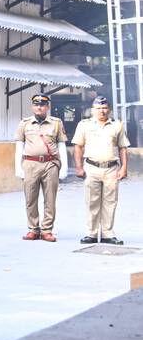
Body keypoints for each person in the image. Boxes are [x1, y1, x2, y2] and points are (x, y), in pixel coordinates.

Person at [73, 95, 130, 244]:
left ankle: (107, 234)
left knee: (110, 202)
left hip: (111, 169)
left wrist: (124, 168)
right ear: (93, 110)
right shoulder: (84, 125)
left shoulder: (117, 125)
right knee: (92, 202)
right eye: (98, 108)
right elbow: (78, 147)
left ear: (109, 110)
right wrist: (78, 167)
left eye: (105, 108)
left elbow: (123, 148)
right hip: (91, 168)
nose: (102, 111)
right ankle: (91, 234)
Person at [14, 93, 67, 241]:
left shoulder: (56, 123)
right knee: (30, 198)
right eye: (36, 104)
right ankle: (33, 228)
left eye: (43, 104)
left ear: (48, 107)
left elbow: (61, 145)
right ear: (32, 106)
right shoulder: (24, 123)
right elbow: (19, 146)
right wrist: (18, 168)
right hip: (30, 164)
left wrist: (63, 168)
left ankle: (47, 230)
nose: (39, 107)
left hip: (50, 164)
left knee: (50, 199)